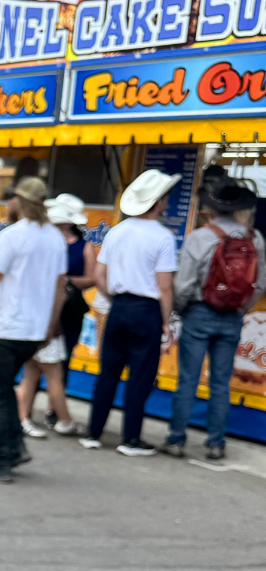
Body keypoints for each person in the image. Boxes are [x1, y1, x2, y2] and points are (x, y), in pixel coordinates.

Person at [0, 177, 68, 482]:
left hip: (8, 330)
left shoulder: (12, 236)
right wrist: (49, 326)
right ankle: (15, 446)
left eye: (11, 197)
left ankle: (1, 460)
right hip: (35, 332)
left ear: (20, 201)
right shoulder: (55, 238)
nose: (8, 202)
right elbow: (60, 289)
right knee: (5, 390)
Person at [82, 168, 181, 456]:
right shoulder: (163, 237)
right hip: (147, 311)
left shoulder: (117, 231)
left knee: (108, 373)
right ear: (158, 202)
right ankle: (130, 439)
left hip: (119, 307)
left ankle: (93, 433)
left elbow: (99, 274)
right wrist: (166, 321)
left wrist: (115, 297)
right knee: (140, 376)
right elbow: (165, 287)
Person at [164, 181, 266, 460]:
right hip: (232, 316)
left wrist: (181, 310)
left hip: (199, 312)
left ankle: (176, 440)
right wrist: (241, 308)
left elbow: (184, 285)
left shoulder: (200, 237)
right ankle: (216, 443)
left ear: (212, 208)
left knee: (188, 379)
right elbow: (259, 284)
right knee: (220, 383)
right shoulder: (255, 239)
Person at [16, 193, 94, 439]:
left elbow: (90, 279)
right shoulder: (48, 246)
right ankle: (60, 419)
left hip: (60, 315)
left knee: (40, 369)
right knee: (48, 371)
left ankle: (32, 417)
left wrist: (67, 282)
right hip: (48, 316)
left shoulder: (76, 246)